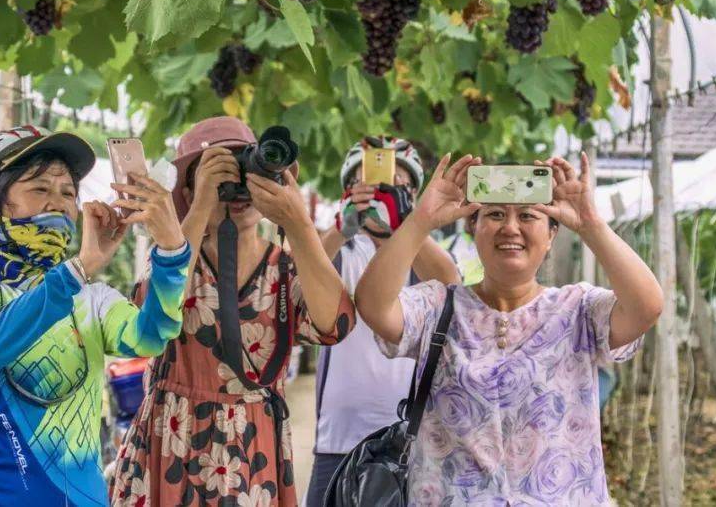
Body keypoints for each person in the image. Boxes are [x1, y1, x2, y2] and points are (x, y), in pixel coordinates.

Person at [356, 153, 663, 505]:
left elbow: (646, 306)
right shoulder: (438, 306)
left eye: (528, 215)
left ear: (551, 235)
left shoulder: (578, 309)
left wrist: (592, 224)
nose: (510, 227)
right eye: (495, 214)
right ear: (473, 228)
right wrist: (420, 221)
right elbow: (373, 306)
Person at [0, 125, 191, 506]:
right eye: (40, 189)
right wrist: (76, 270)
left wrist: (170, 250)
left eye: (68, 192)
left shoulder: (91, 299)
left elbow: (151, 335)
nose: (59, 203)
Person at [111, 116, 355, 507]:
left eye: (247, 169)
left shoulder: (285, 267)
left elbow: (335, 325)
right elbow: (145, 317)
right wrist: (202, 205)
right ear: (188, 192)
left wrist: (298, 224)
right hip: (173, 435)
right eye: (220, 173)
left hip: (252, 447)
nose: (238, 187)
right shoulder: (175, 258)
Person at [306, 138, 461, 507]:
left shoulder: (427, 254)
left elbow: (449, 283)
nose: (383, 193)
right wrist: (341, 229)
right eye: (372, 182)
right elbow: (300, 276)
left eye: (397, 185)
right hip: (337, 439)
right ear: (349, 191)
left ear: (413, 194)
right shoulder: (340, 249)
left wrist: (409, 223)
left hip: (409, 440)